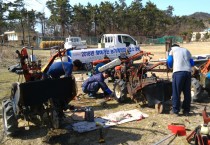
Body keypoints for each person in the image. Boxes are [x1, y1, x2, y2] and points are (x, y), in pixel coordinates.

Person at [167, 44, 194, 116]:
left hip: (178, 73)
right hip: (188, 73)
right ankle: (186, 111)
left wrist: (170, 67)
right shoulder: (186, 50)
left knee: (176, 92)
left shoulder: (172, 50)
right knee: (187, 92)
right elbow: (192, 63)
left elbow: (169, 61)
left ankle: (175, 111)